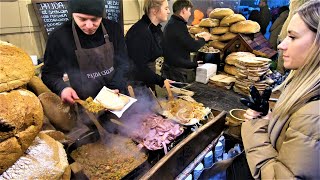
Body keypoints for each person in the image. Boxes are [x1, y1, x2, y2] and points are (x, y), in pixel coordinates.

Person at [241, 0, 320, 179]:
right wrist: (269, 118)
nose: (281, 45)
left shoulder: (313, 117)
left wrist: (255, 127)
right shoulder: (304, 90)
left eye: (292, 37)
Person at [42, 0, 129, 104]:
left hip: (117, 97)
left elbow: (123, 63)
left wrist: (115, 86)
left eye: (95, 19)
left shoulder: (113, 29)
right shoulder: (59, 37)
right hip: (86, 105)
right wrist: (63, 89)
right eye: (82, 19)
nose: (89, 25)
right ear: (72, 14)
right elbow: (49, 74)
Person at [161, 0, 211, 83]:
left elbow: (181, 43)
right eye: (189, 11)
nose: (190, 14)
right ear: (183, 10)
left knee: (174, 95)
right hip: (176, 72)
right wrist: (204, 39)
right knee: (178, 95)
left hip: (171, 68)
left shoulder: (173, 23)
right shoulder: (177, 25)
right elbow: (193, 46)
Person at [125, 0, 170, 91]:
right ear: (154, 10)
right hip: (136, 84)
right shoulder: (140, 32)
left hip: (147, 77)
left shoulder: (155, 29)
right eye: (166, 8)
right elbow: (138, 68)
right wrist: (160, 80)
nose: (169, 11)